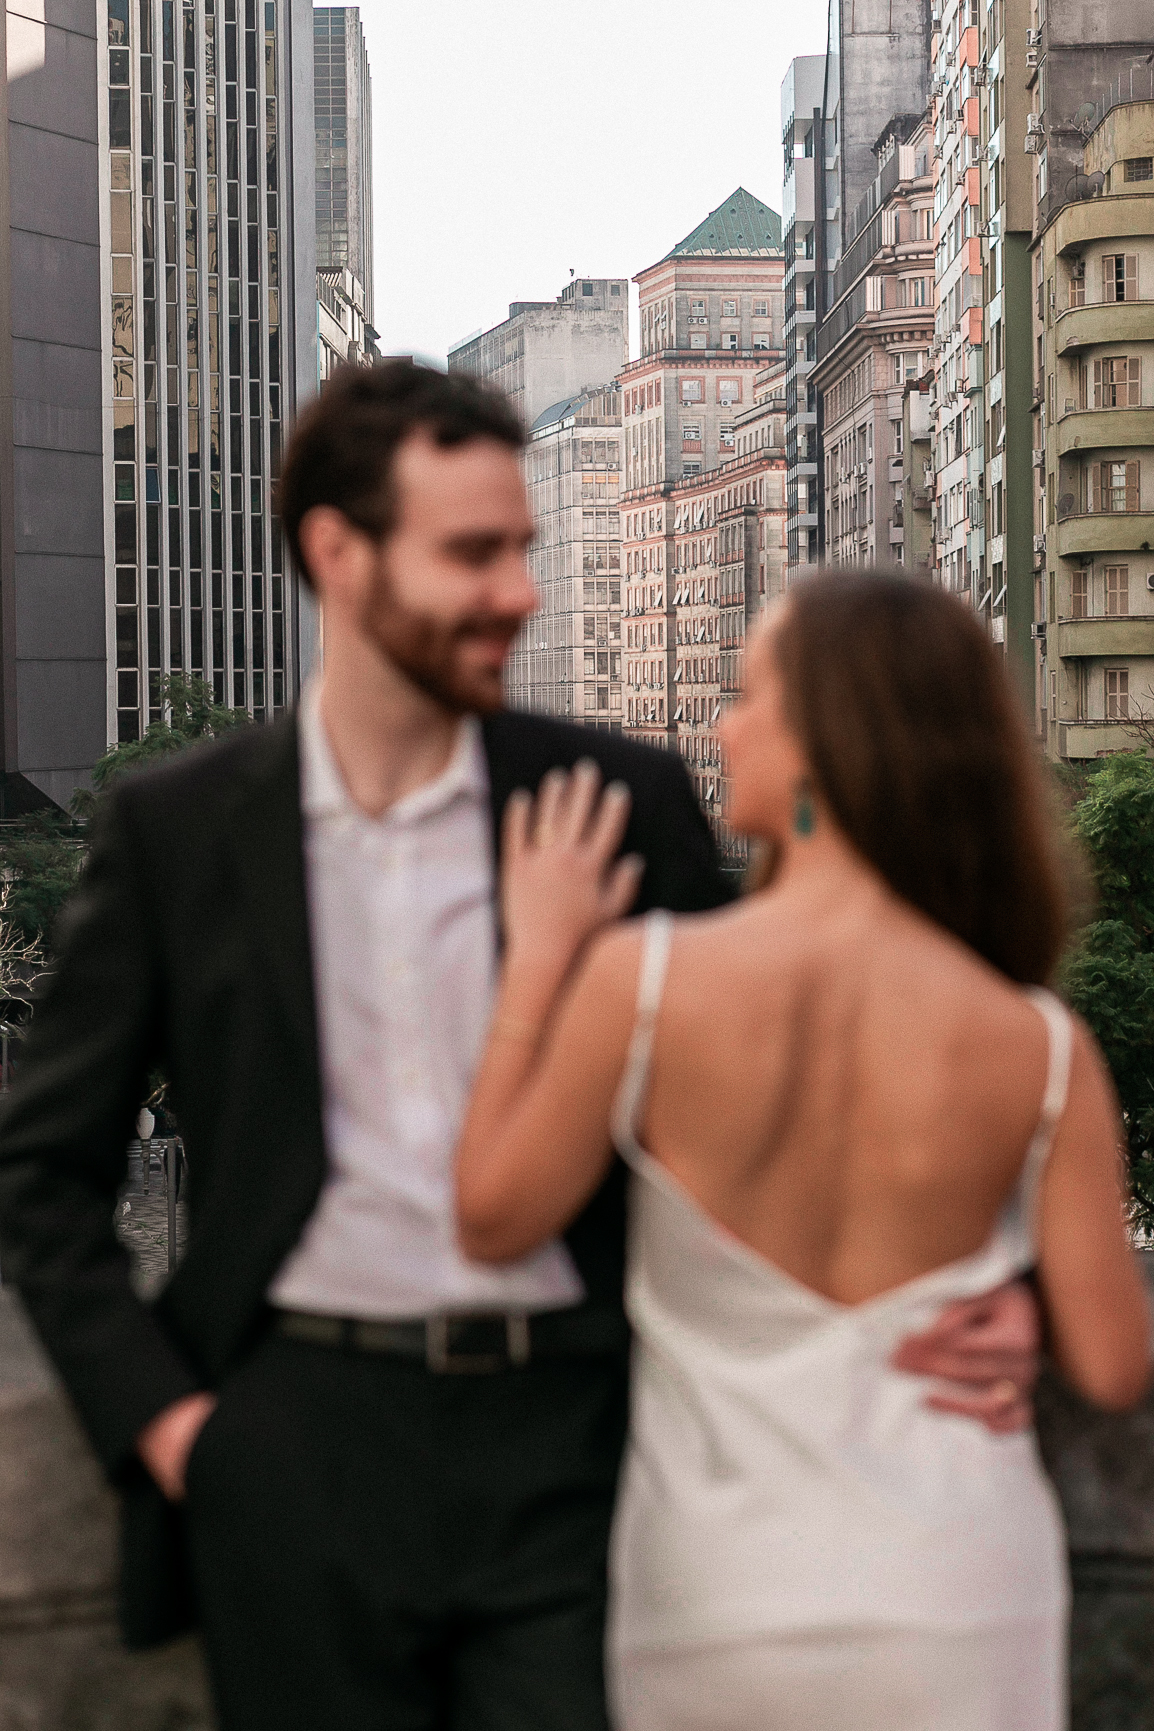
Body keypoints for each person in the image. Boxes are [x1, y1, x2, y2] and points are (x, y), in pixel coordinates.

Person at [0, 365, 1041, 1731]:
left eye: (523, 549)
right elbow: (43, 1174)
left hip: (580, 1444)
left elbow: (798, 1078)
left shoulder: (622, 798)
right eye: (472, 552)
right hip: (292, 1445)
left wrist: (993, 1277)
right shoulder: (177, 831)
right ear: (337, 552)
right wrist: (178, 1426)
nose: (521, 591)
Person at [454, 571, 1152, 1731]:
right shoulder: (1037, 1045)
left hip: (715, 1595)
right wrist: (1018, 1298)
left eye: (746, 696)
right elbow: (1116, 1365)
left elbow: (489, 1218)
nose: (721, 727)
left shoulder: (645, 986)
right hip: (961, 1589)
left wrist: (535, 962)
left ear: (828, 737)